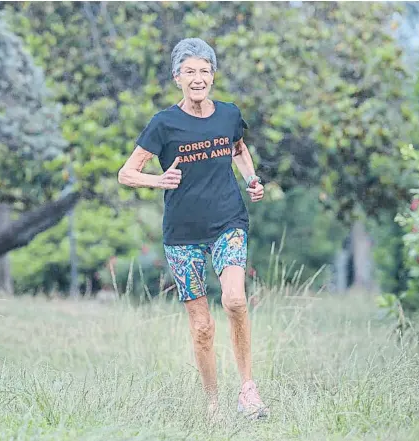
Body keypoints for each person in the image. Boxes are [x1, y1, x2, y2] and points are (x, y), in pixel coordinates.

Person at [117, 37, 268, 421]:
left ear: (212, 76)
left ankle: (248, 390)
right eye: (189, 72)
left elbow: (238, 149)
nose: (197, 78)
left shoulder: (229, 114)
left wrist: (252, 180)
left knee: (234, 300)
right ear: (177, 78)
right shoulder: (163, 124)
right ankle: (213, 405)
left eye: (204, 71)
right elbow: (126, 173)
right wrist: (158, 181)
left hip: (228, 223)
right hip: (182, 235)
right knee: (202, 327)